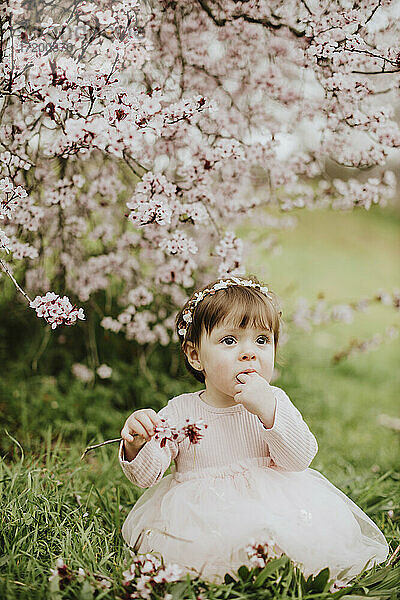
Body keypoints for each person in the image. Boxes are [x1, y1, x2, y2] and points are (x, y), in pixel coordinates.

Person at [118, 275, 389, 585]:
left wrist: (268, 411)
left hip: (274, 502)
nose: (249, 353)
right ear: (195, 355)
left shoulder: (274, 400)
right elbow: (146, 476)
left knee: (284, 535)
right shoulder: (180, 411)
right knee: (208, 549)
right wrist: (137, 446)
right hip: (204, 514)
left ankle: (275, 564)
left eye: (262, 340)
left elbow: (299, 459)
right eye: (229, 340)